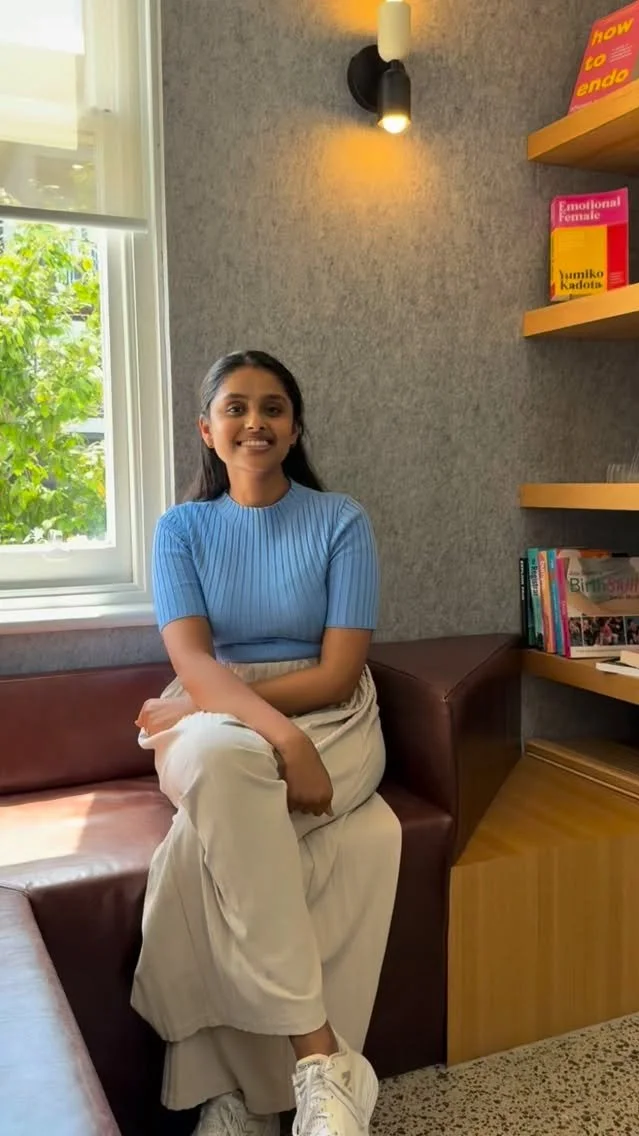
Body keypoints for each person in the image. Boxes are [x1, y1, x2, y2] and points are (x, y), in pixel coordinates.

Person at [131, 351, 401, 1136]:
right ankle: (322, 1060)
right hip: (210, 709)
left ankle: (234, 1096)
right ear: (206, 430)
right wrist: (276, 736)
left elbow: (338, 672)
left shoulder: (341, 521)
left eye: (273, 408)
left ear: (295, 427)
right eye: (236, 407)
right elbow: (194, 664)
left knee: (208, 851)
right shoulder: (181, 530)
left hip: (331, 712)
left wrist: (281, 727)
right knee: (222, 761)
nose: (256, 421)